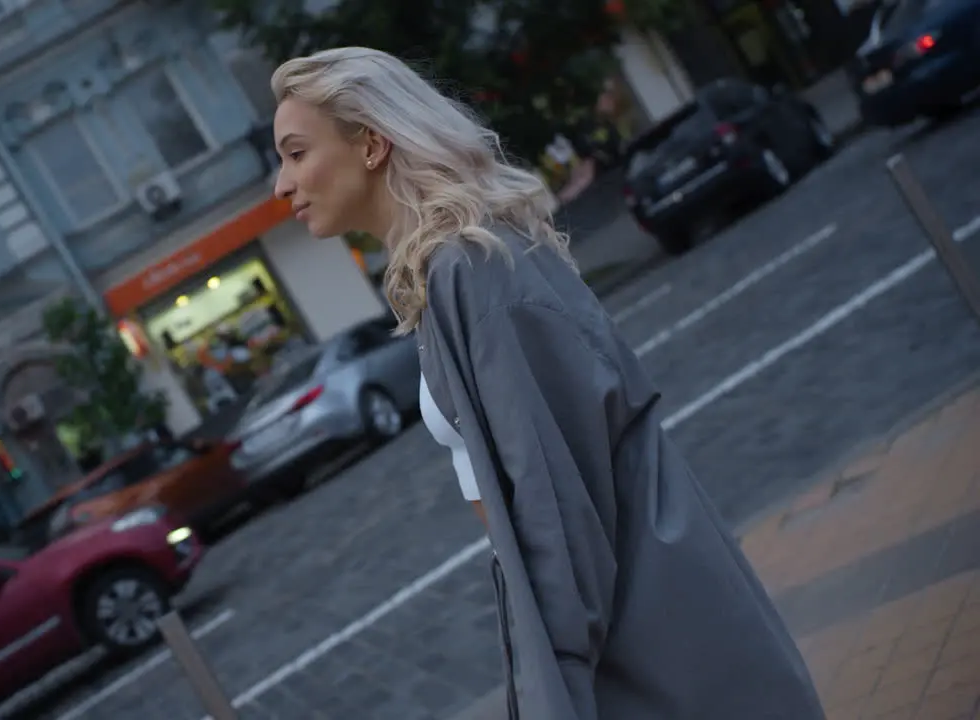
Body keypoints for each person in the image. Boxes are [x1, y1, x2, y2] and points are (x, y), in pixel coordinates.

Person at [269, 47, 824, 720]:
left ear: (372, 144)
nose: (281, 183)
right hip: (640, 628)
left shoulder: (469, 270)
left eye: (296, 153)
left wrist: (548, 692)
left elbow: (555, 513)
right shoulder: (448, 273)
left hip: (651, 650)